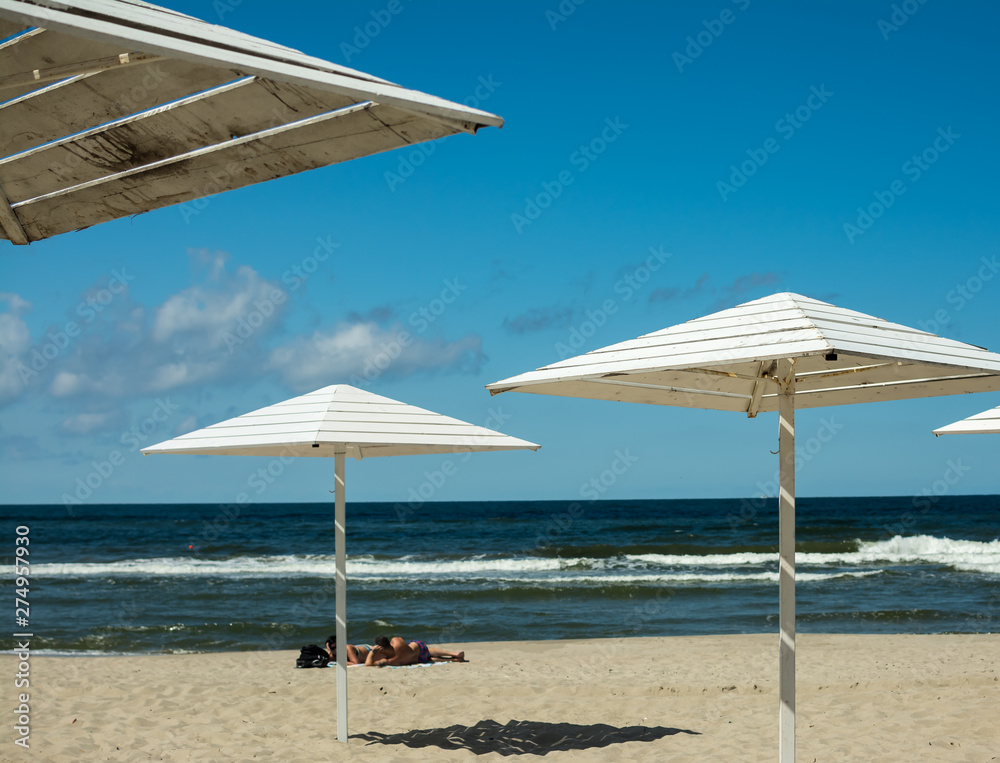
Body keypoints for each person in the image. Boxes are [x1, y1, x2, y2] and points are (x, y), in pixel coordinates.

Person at [364, 635, 466, 667]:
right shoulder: (396, 641)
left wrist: (372, 651)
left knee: (431, 659)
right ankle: (454, 654)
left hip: (418, 660)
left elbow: (368, 664)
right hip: (419, 649)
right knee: (428, 651)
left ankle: (455, 660)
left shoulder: (390, 661)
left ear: (380, 649)